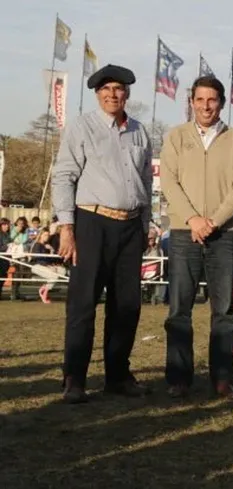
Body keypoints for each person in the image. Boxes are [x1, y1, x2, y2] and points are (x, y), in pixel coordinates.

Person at [51, 64, 153, 404]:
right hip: (92, 223)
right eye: (106, 89)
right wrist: (67, 227)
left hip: (131, 226)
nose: (112, 94)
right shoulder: (82, 126)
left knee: (127, 306)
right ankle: (74, 378)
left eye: (118, 89)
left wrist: (145, 225)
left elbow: (146, 182)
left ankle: (118, 376)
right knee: (83, 304)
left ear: (127, 94)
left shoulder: (139, 131)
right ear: (97, 94)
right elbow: (64, 175)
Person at [158, 76, 233, 399]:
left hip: (224, 233)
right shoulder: (176, 137)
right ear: (191, 102)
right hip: (184, 232)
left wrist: (214, 221)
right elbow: (169, 182)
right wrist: (193, 219)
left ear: (222, 103)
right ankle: (179, 378)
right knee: (179, 309)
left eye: (212, 99)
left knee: (224, 310)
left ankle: (223, 378)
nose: (205, 106)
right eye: (199, 99)